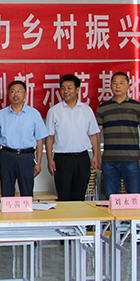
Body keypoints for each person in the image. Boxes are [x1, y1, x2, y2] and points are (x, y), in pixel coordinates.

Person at [45, 74, 101, 202]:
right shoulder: (54, 111)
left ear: (77, 89)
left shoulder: (86, 110)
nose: (66, 91)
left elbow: (93, 134)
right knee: (63, 196)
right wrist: (49, 159)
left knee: (79, 197)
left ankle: (79, 216)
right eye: (63, 88)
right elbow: (49, 137)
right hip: (62, 160)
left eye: (69, 88)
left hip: (82, 159)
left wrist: (96, 155)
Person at [96, 72, 140, 198]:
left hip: (132, 159)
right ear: (110, 85)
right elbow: (96, 133)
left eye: (121, 83)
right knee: (111, 198)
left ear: (128, 85)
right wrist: (97, 155)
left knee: (134, 197)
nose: (118, 86)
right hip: (109, 160)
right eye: (115, 83)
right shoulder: (103, 108)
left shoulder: (138, 107)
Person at [0, 81, 48, 198]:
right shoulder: (0, 115)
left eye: (19, 91)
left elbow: (39, 140)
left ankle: (27, 211)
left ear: (25, 94)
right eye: (12, 91)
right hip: (6, 156)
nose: (15, 94)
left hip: (26, 157)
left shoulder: (34, 114)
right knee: (7, 193)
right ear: (8, 94)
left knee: (27, 193)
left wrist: (38, 163)